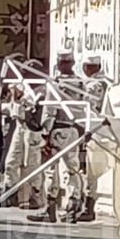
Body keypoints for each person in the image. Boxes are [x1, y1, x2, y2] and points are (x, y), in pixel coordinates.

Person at [28, 50, 86, 223]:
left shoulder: (56, 83)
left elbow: (50, 109)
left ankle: (50, 207)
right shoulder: (80, 84)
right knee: (72, 168)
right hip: (74, 129)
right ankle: (73, 205)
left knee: (51, 169)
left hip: (58, 129)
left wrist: (45, 133)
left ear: (59, 63)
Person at [2, 58, 46, 209]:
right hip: (20, 126)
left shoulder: (45, 89)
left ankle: (35, 196)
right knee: (11, 161)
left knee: (32, 164)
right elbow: (12, 105)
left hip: (33, 128)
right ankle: (9, 195)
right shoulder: (21, 86)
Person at [78, 55, 112, 222]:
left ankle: (88, 208)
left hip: (94, 133)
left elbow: (87, 108)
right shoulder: (109, 83)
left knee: (90, 172)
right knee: (94, 171)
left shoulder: (93, 85)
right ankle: (87, 205)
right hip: (106, 133)